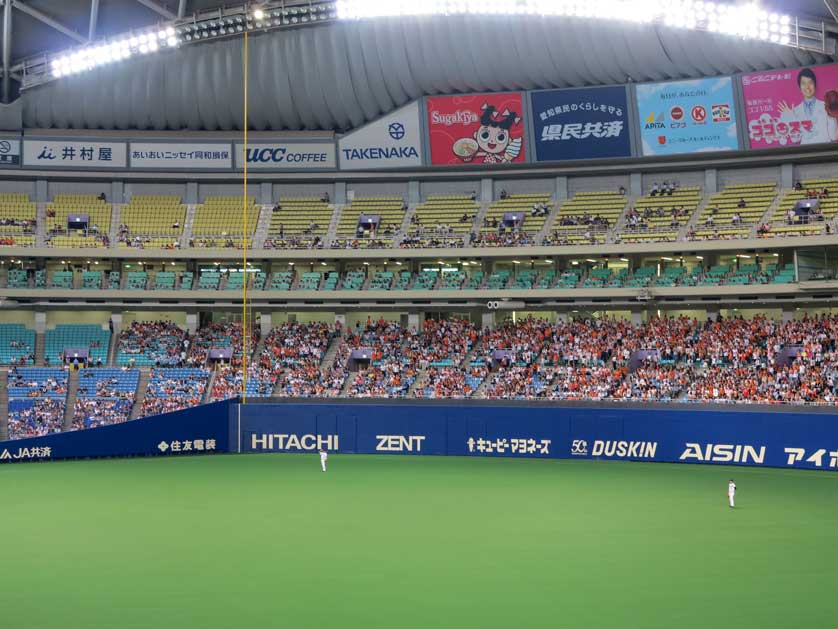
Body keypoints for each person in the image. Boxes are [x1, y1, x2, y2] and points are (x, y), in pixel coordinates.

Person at [777, 67, 838, 145]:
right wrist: (791, 118)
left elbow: (834, 136)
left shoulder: (825, 105)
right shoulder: (795, 111)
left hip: (824, 152)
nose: (807, 87)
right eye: (803, 83)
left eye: (810, 83)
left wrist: (831, 112)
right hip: (805, 153)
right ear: (799, 87)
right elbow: (795, 139)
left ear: (815, 85)